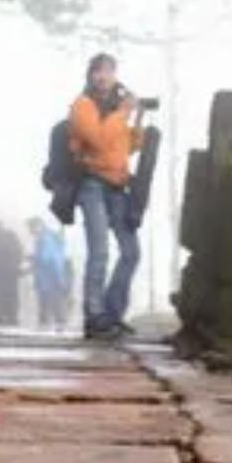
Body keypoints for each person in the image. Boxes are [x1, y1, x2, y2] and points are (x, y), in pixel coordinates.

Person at [68, 52, 142, 340]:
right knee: (99, 251)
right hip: (92, 184)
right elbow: (97, 141)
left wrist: (135, 126)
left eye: (109, 71)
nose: (103, 76)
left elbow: (122, 149)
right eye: (98, 71)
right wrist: (123, 113)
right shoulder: (82, 106)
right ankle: (94, 315)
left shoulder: (116, 110)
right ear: (90, 75)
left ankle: (112, 313)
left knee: (131, 252)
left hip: (118, 184)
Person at [27, 215, 71, 330]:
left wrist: (33, 259)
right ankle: (55, 325)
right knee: (51, 304)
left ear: (39, 226)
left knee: (51, 304)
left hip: (49, 279)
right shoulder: (47, 238)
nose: (30, 231)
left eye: (31, 228)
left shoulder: (46, 239)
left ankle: (53, 327)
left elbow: (51, 260)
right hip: (49, 278)